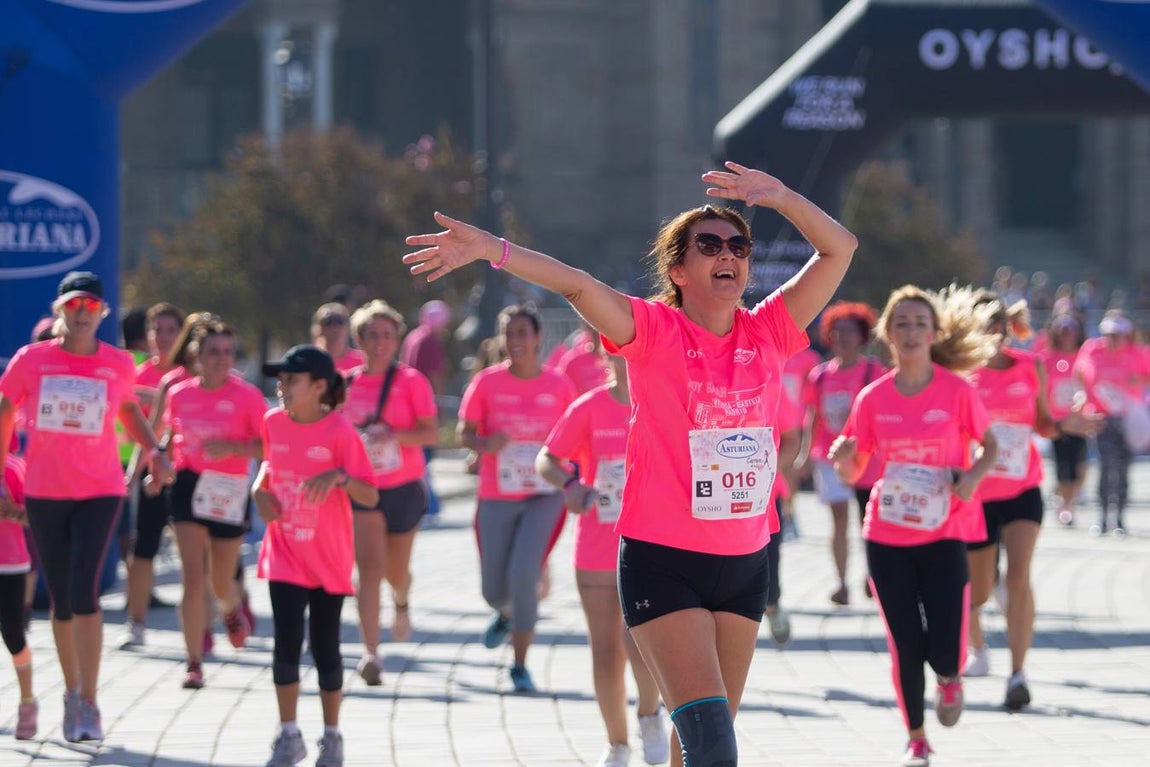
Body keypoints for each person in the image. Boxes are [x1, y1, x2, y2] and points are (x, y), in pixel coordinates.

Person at [405, 161, 857, 765]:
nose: (729, 255)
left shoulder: (769, 330)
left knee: (699, 737)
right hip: (663, 560)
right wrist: (494, 250)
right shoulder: (654, 331)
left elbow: (839, 249)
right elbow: (577, 286)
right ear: (678, 269)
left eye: (738, 245)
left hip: (746, 559)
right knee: (715, 745)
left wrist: (780, 198)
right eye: (710, 245)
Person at [0, 271, 175, 742]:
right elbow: (3, 407)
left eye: (91, 308)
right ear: (60, 311)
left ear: (101, 313)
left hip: (100, 490)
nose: (82, 314)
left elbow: (127, 411)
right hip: (45, 491)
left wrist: (156, 452)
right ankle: (72, 692)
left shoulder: (116, 363)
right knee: (60, 599)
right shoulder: (31, 360)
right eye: (74, 306)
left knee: (83, 593)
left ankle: (91, 702)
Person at [829, 284, 999, 767]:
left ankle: (949, 677)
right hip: (886, 533)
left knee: (946, 647)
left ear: (934, 333)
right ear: (887, 334)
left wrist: (970, 480)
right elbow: (856, 471)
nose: (911, 331)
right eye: (901, 323)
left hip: (946, 531)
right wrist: (842, 460)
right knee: (904, 642)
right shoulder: (872, 398)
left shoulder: (957, 391)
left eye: (920, 323)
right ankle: (917, 739)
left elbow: (991, 446)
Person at [962, 291, 1098, 710]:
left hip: (1023, 489)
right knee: (979, 593)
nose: (991, 332)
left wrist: (1065, 424)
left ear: (1005, 327)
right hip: (977, 494)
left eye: (996, 324)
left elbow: (1041, 423)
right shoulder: (960, 372)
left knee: (1019, 577)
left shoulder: (1030, 365)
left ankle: (1018, 675)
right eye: (982, 324)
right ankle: (979, 648)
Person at [536, 350, 668, 766]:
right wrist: (570, 486)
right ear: (608, 357)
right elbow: (547, 459)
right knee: (606, 650)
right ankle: (617, 744)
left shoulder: (665, 401)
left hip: (650, 544)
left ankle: (649, 715)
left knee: (643, 644)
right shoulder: (590, 407)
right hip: (596, 545)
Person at [254, 345, 377, 767]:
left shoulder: (341, 433)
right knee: (285, 644)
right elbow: (269, 466)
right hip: (284, 552)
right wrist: (258, 490)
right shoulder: (272, 422)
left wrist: (340, 476)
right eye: (281, 380)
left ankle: (331, 737)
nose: (282, 387)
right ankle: (288, 735)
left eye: (292, 380)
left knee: (326, 648)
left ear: (319, 387)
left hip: (329, 558)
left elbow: (369, 491)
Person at [456, 304, 576, 693]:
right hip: (498, 492)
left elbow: (574, 436)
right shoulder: (488, 383)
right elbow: (464, 432)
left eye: (523, 333)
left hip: (544, 495)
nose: (516, 341)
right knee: (493, 588)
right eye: (509, 334)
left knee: (525, 573)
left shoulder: (559, 386)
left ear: (538, 338)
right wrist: (484, 443)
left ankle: (520, 664)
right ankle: (505, 613)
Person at [161, 320, 268, 688]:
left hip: (229, 488)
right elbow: (170, 439)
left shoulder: (248, 397)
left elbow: (269, 446)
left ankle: (229, 610)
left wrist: (236, 448)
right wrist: (157, 468)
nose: (222, 359)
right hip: (189, 484)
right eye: (213, 353)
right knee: (192, 577)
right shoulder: (179, 394)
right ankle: (193, 662)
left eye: (227, 352)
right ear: (196, 356)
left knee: (221, 581)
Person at [344, 300, 439, 685]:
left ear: (397, 340)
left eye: (387, 335)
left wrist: (393, 435)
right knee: (367, 570)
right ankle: (371, 652)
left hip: (403, 486)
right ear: (360, 340)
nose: (380, 342)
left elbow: (431, 433)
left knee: (395, 570)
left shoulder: (411, 381)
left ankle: (401, 599)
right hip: (362, 488)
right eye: (372, 335)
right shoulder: (344, 384)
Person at [799, 301, 882, 605]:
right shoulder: (820, 376)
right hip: (829, 458)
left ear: (862, 336)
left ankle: (872, 576)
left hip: (866, 460)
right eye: (837, 331)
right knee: (838, 522)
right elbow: (813, 416)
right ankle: (841, 582)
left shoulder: (874, 371)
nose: (843, 337)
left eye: (850, 331)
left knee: (867, 521)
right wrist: (805, 455)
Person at [118, 301, 186, 649]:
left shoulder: (192, 372)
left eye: (170, 330)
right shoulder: (137, 372)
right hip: (152, 471)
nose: (162, 337)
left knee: (209, 557)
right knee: (143, 547)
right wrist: (134, 471)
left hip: (190, 474)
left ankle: (226, 607)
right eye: (156, 330)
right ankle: (137, 623)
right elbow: (130, 415)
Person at [1074, 310, 1150, 535]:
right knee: (1106, 467)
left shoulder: (1137, 352)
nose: (1112, 338)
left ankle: (1120, 518)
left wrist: (1140, 380)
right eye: (1108, 333)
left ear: (1126, 334)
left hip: (1128, 419)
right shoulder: (1093, 349)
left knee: (1124, 469)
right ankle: (1103, 518)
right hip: (1101, 418)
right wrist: (1082, 393)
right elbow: (1079, 372)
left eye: (1117, 334)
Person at [399, 299, 452, 525]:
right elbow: (435, 376)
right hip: (423, 405)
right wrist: (438, 410)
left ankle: (429, 504)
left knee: (418, 456)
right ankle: (428, 505)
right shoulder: (430, 341)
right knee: (423, 459)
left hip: (406, 404)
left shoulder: (412, 337)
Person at [0, 452, 39, 740]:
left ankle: (27, 700)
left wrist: (12, 511)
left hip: (9, 563)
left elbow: (36, 519)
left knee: (12, 634)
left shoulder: (13, 467)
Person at [1039, 314, 1089, 525]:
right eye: (1063, 331)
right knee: (1062, 465)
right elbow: (1041, 390)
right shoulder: (1046, 358)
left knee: (1081, 464)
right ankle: (1066, 506)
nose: (1067, 336)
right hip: (1057, 421)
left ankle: (1069, 498)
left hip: (1080, 420)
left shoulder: (1084, 356)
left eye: (1070, 331)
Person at [311, 303, 366, 375]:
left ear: (348, 327)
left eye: (340, 321)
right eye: (328, 322)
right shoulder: (311, 362)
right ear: (319, 328)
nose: (334, 327)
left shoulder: (363, 360)